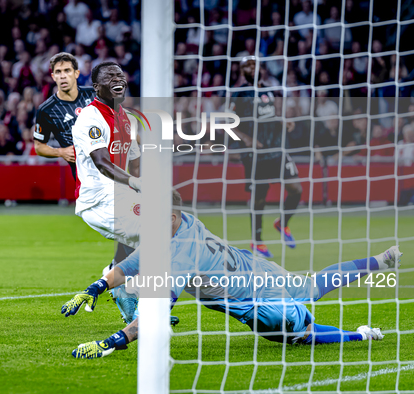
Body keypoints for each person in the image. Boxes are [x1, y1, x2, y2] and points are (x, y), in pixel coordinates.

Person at [62, 192, 402, 359]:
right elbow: (136, 261)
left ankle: (362, 337)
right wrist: (97, 286)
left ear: (170, 216)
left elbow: (152, 317)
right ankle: (379, 259)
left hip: (259, 305)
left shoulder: (180, 258)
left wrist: (111, 343)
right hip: (259, 269)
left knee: (300, 334)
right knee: (315, 284)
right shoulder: (187, 222)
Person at [71, 61, 145, 324]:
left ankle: (118, 285)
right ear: (96, 86)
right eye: (110, 75)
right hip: (98, 199)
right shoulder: (90, 118)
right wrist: (136, 183)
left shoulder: (126, 117)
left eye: (121, 74)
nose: (118, 78)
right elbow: (103, 163)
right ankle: (143, 311)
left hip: (120, 195)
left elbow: (135, 161)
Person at [232, 56, 302, 258]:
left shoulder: (270, 90)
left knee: (296, 190)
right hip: (256, 155)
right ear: (241, 70)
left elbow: (270, 116)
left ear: (261, 68)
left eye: (254, 64)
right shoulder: (240, 94)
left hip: (277, 149)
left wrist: (284, 122)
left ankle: (282, 223)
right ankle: (258, 241)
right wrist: (247, 139)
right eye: (247, 66)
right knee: (259, 199)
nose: (252, 68)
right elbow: (229, 124)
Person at [33, 52, 96, 179]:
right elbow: (39, 147)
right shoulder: (45, 110)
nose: (62, 76)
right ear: (53, 76)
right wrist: (60, 152)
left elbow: (121, 121)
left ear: (76, 73)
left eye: (67, 70)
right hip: (84, 178)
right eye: (58, 72)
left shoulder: (95, 94)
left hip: (113, 167)